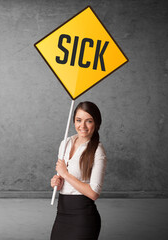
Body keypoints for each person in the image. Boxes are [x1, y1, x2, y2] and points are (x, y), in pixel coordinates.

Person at [50, 101, 107, 240]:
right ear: (74, 121)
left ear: (96, 123)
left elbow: (93, 193)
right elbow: (64, 180)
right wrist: (58, 181)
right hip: (62, 214)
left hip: (83, 218)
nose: (82, 126)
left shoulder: (97, 151)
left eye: (89, 121)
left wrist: (65, 174)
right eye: (79, 120)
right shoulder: (65, 143)